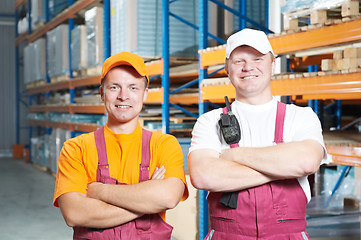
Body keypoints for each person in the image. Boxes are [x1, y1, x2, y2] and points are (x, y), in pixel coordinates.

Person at [188, 28, 326, 239]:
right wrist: (283, 168)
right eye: (239, 61)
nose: (248, 67)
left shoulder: (301, 116)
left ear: (272, 66)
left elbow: (306, 163)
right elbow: (203, 175)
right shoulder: (209, 121)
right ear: (227, 68)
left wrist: (234, 156)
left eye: (257, 59)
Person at [53, 51, 188, 239]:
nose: (123, 96)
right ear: (102, 93)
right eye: (114, 87)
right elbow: (75, 214)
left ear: (145, 94)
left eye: (133, 88)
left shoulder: (164, 144)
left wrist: (99, 191)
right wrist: (147, 203)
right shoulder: (76, 148)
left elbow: (167, 198)